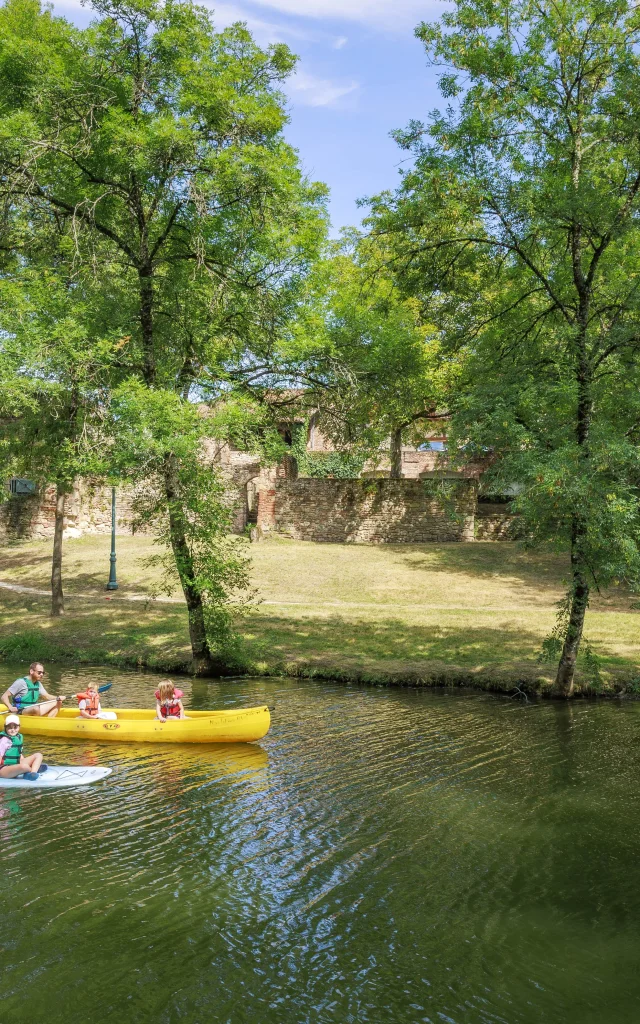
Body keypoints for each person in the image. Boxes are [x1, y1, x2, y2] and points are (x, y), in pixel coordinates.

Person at [0, 662, 65, 718]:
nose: (42, 674)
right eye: (39, 672)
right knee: (35, 708)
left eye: (43, 673)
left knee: (58, 702)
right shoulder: (20, 682)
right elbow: (4, 696)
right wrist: (10, 707)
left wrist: (58, 698)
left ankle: (49, 722)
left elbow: (46, 696)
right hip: (20, 710)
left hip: (33, 707)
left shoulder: (38, 683)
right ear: (31, 671)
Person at [0, 715, 46, 780]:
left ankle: (32, 773)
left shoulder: (18, 737)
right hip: (3, 769)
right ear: (5, 728)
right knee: (24, 766)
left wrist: (24, 761)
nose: (13, 730)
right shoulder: (4, 740)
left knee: (38, 755)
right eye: (10, 728)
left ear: (19, 727)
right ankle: (33, 769)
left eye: (15, 727)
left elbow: (19, 754)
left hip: (15, 764)